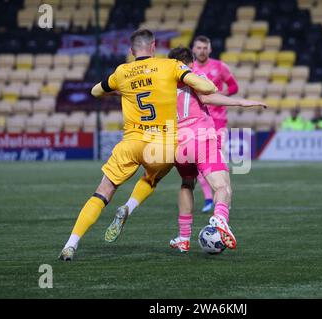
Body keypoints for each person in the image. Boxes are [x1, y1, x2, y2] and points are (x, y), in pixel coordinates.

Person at [58, 29, 218, 261]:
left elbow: (95, 91)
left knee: (102, 192)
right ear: (153, 46)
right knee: (153, 178)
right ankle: (129, 207)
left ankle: (71, 244)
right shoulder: (170, 65)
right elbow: (207, 88)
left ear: (132, 51)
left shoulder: (122, 71)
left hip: (131, 143)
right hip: (161, 146)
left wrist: (120, 92)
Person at [104, 47, 267, 252]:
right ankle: (219, 218)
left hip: (177, 143)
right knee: (223, 187)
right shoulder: (195, 75)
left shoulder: (161, 82)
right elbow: (207, 97)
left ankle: (183, 237)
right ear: (190, 64)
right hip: (200, 138)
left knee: (187, 183)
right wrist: (241, 103)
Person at [192, 35, 239, 213]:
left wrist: (220, 97)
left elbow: (234, 87)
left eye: (205, 47)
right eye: (199, 48)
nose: (202, 51)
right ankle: (208, 199)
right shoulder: (189, 69)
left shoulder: (219, 67)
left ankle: (225, 195)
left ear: (210, 49)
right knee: (198, 163)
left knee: (219, 160)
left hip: (218, 122)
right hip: (198, 123)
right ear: (194, 49)